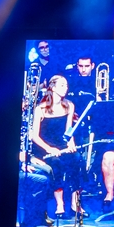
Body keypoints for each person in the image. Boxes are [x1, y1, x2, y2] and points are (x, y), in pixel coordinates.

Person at [30, 75, 85, 218]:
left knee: (78, 160)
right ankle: (60, 204)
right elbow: (35, 136)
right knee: (56, 164)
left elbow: (68, 131)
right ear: (53, 88)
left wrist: (71, 143)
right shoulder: (41, 109)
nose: (66, 88)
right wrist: (49, 149)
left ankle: (75, 203)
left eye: (66, 85)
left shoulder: (69, 105)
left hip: (62, 145)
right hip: (45, 148)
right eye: (62, 85)